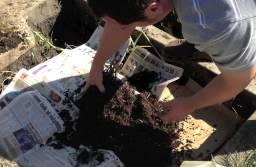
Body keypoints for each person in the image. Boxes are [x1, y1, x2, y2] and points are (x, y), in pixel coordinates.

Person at [83, 0, 256, 122]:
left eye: (126, 25)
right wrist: (97, 67)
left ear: (153, 8)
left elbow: (238, 80)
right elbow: (120, 17)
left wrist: (190, 104)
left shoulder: (216, 24)